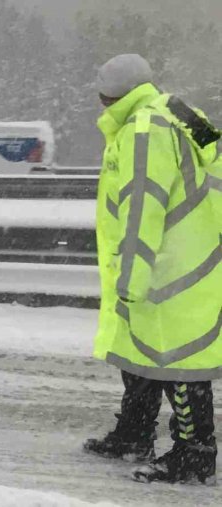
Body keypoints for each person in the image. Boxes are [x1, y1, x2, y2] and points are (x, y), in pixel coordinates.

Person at [82, 53, 222, 485]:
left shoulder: (145, 129)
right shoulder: (172, 112)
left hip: (170, 265)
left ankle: (194, 453)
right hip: (187, 253)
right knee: (140, 350)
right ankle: (134, 433)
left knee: (177, 360)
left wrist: (132, 273)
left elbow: (143, 205)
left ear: (109, 94)